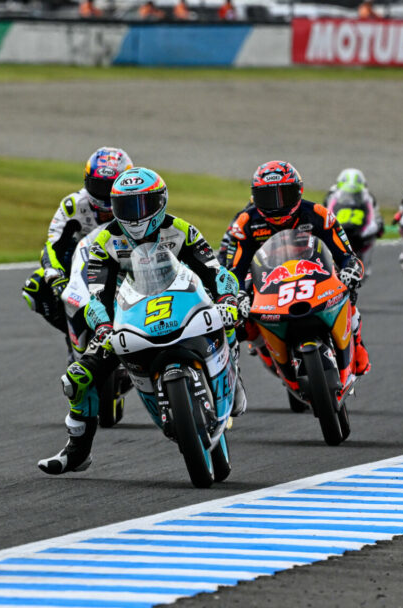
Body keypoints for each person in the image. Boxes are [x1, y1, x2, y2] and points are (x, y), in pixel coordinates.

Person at [39, 168, 244, 476]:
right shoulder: (104, 242)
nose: (134, 216)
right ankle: (77, 451)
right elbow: (97, 295)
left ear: (160, 202)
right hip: (131, 318)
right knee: (76, 378)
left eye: (142, 205)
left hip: (184, 304)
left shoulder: (182, 230)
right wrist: (104, 328)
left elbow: (215, 272)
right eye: (125, 207)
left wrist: (228, 300)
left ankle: (234, 377)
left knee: (229, 318)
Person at [221, 160, 371, 381]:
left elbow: (346, 253)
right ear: (255, 197)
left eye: (284, 195)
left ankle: (355, 348)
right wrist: (238, 294)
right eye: (268, 197)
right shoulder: (246, 222)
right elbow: (234, 267)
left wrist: (351, 269)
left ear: (298, 191)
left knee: (350, 300)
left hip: (315, 275)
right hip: (266, 281)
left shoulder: (318, 214)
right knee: (241, 322)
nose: (276, 204)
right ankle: (264, 347)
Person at [23, 147, 133, 354]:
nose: (105, 195)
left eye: (111, 188)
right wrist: (55, 276)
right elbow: (52, 247)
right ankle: (74, 335)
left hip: (125, 263)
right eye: (99, 186)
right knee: (34, 288)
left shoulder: (135, 204)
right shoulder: (73, 206)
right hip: (80, 262)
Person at [322, 168, 384, 276]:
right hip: (339, 228)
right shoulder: (332, 194)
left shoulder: (367, 197)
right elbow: (324, 210)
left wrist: (378, 224)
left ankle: (364, 265)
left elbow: (374, 213)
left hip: (358, 230)